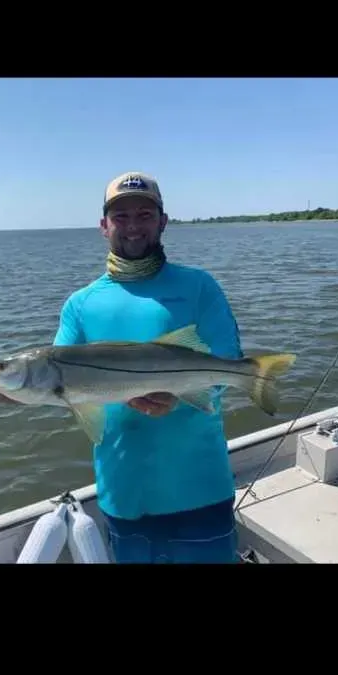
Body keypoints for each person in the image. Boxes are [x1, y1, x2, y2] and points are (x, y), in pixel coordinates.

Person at [51, 171, 244, 564]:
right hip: (124, 492)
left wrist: (176, 396)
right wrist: (14, 391)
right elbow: (60, 383)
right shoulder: (80, 305)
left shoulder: (199, 287)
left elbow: (227, 366)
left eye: (144, 214)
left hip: (200, 488)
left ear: (163, 222)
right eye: (121, 217)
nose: (133, 226)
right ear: (104, 226)